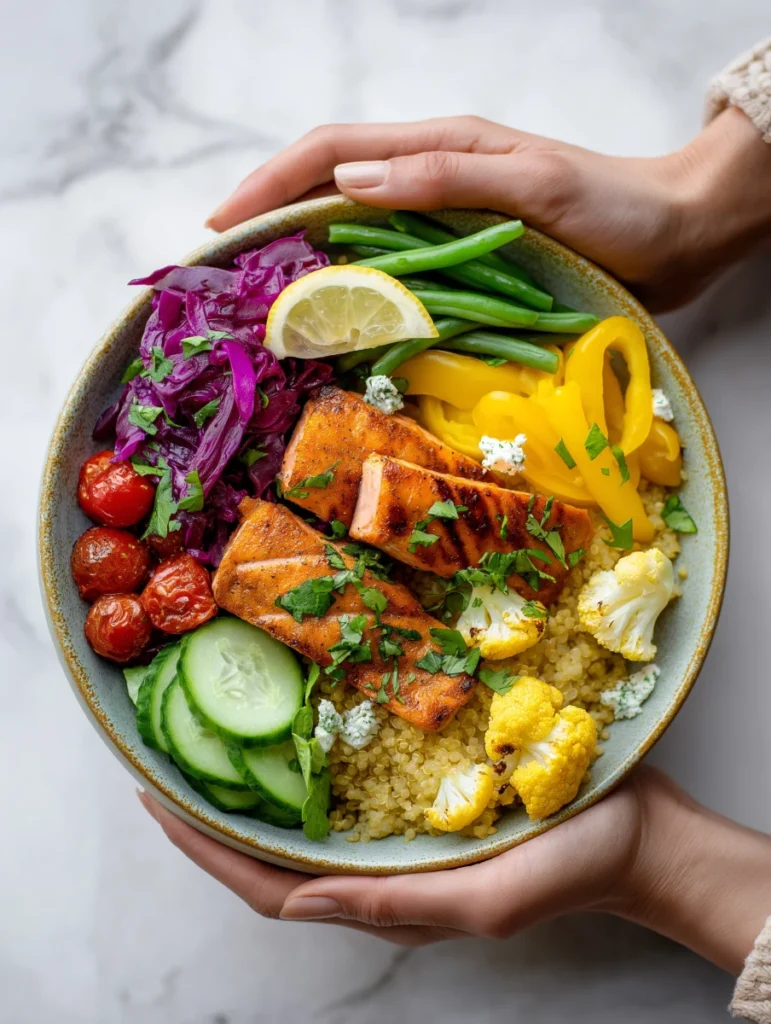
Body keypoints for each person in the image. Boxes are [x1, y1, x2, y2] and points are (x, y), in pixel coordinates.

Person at [139, 38, 771, 1022]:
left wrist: (659, 864)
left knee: (465, 546)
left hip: (491, 565)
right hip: (417, 573)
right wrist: (711, 190)